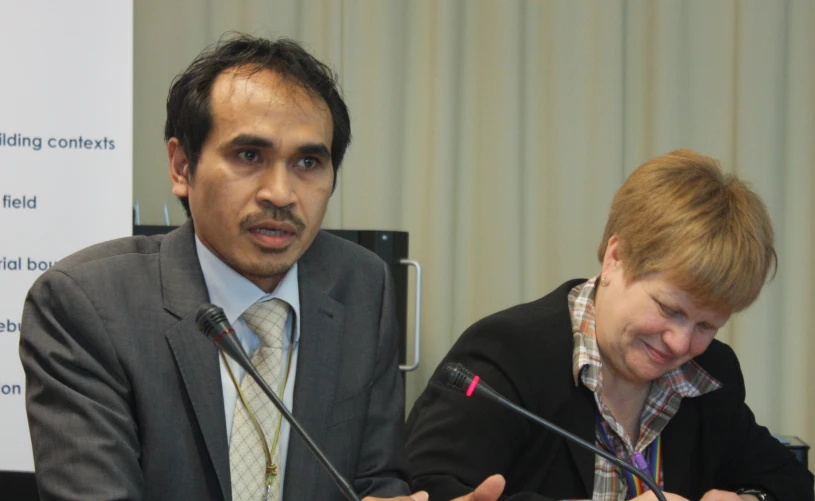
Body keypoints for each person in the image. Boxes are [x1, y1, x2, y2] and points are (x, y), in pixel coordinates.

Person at [20, 34, 501, 501]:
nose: (281, 193)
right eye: (249, 156)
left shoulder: (361, 284)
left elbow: (375, 479)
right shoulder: (86, 304)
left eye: (309, 162)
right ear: (182, 166)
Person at [405, 150, 814, 501]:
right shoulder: (506, 353)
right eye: (669, 309)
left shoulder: (708, 375)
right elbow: (427, 488)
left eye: (707, 325)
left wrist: (752, 498)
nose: (680, 342)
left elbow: (792, 482)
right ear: (616, 258)